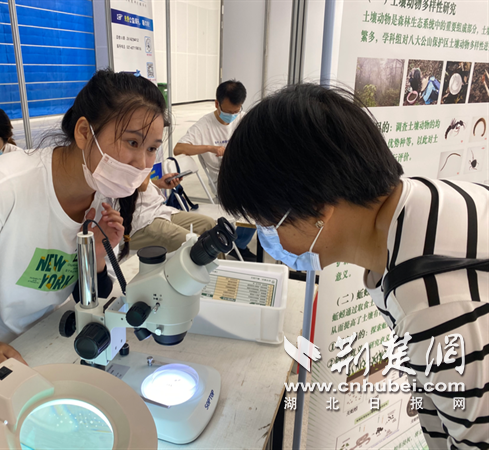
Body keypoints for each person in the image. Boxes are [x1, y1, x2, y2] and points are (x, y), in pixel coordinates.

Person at [217, 83, 488, 449]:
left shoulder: (431, 303)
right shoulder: (423, 201)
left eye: (268, 223)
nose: (270, 238)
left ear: (318, 209)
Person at [0, 70, 168, 364]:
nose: (142, 162)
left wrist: (95, 256)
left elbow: (89, 297)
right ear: (84, 132)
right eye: (132, 142)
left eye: (152, 148)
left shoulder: (102, 195)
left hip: (34, 336)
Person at [174, 80, 257, 262]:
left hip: (244, 174)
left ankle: (240, 244)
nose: (232, 116)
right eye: (228, 112)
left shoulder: (243, 119)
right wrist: (210, 148)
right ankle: (238, 245)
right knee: (257, 203)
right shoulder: (204, 125)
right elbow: (178, 149)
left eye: (236, 112)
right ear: (217, 104)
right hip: (223, 182)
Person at [121, 173, 216, 255]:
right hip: (139, 220)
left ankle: (219, 270)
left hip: (158, 209)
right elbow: (141, 184)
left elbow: (144, 183)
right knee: (200, 247)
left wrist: (159, 183)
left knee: (209, 224)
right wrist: (146, 162)